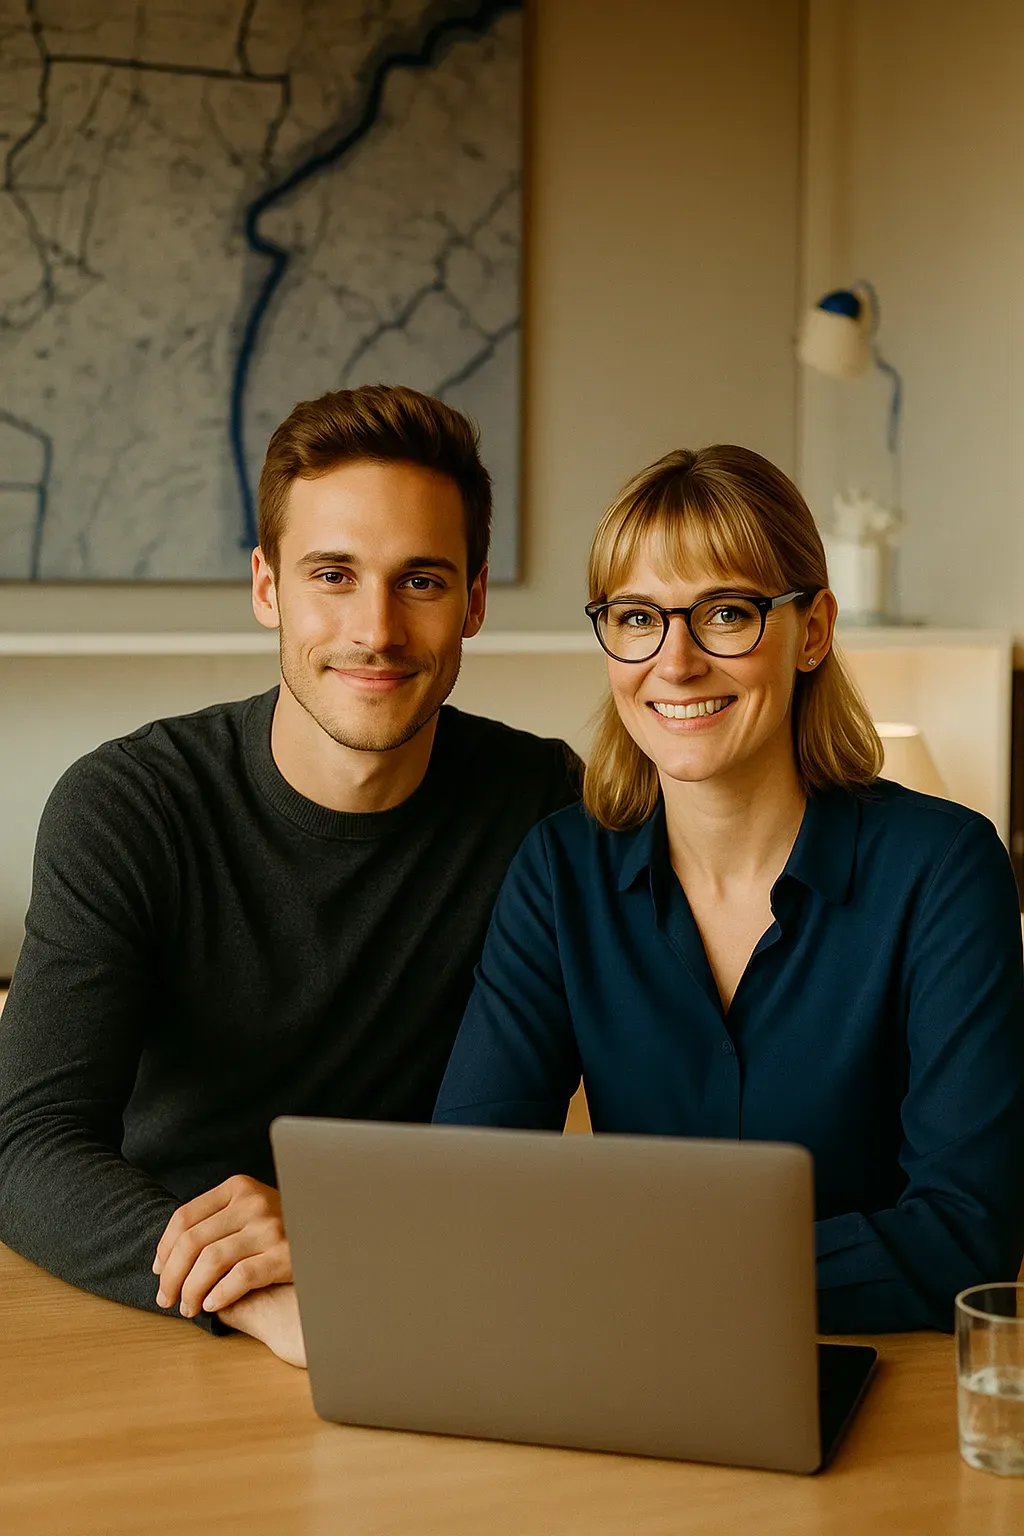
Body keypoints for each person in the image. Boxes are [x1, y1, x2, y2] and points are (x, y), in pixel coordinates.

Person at [0, 385, 579, 1366]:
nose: (377, 630)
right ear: (268, 587)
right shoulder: (129, 808)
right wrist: (265, 1299)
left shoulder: (542, 804)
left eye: (422, 582)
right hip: (158, 1305)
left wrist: (331, 1250)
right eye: (334, 575)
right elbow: (29, 1145)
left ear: (475, 599)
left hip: (424, 1293)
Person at [435, 444, 1024, 1334]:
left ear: (813, 631)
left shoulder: (943, 869)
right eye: (637, 617)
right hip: (634, 1368)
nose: (674, 663)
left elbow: (967, 1234)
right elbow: (473, 1185)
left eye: (725, 613)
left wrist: (652, 1279)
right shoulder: (561, 872)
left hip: (875, 1379)